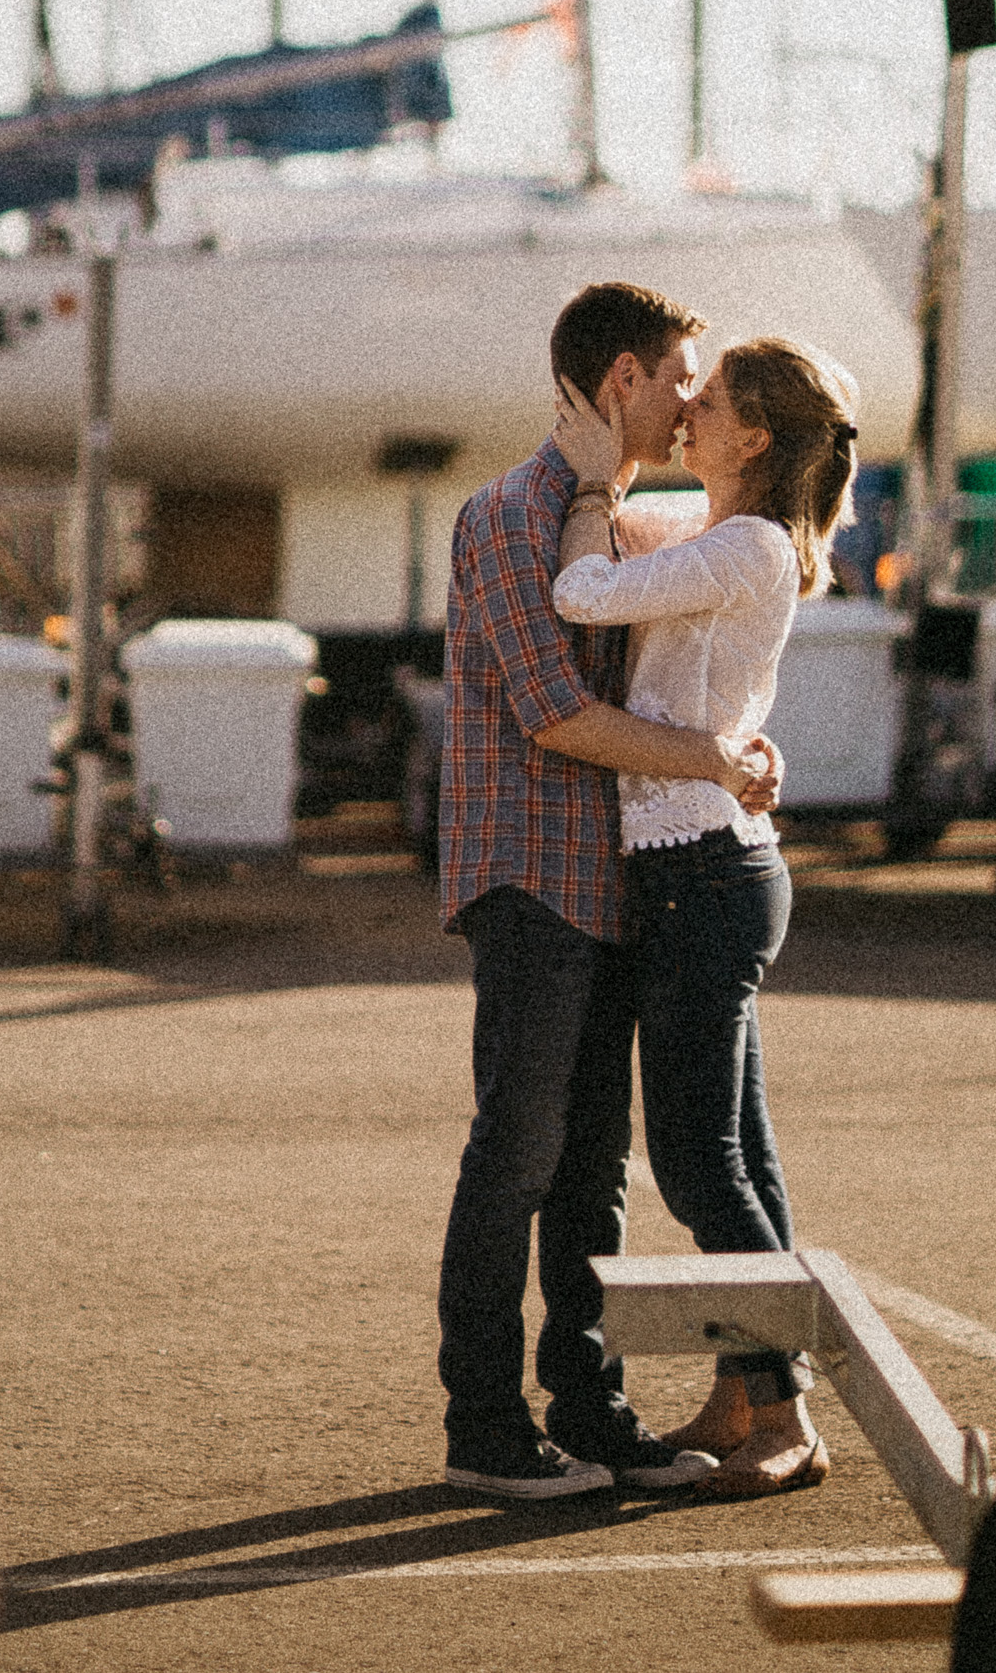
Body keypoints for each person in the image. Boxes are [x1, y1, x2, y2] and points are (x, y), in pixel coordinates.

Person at [437, 281, 783, 1503]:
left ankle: (590, 1416)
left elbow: (742, 578)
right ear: (623, 376)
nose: (692, 399)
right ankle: (483, 1426)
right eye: (680, 377)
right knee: (518, 1153)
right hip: (531, 879)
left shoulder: (614, 516)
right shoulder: (505, 517)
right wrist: (716, 760)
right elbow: (556, 716)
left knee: (593, 1170)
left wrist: (736, 730)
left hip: (618, 886)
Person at [552, 334, 858, 1499]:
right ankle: (746, 1396)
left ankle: (782, 1417)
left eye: (711, 399)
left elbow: (582, 586)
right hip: (708, 871)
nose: (689, 408)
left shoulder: (740, 544)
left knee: (695, 1162)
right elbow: (625, 552)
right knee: (740, 1155)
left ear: (755, 437)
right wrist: (608, 477)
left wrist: (588, 479)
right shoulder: (728, 538)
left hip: (703, 880)